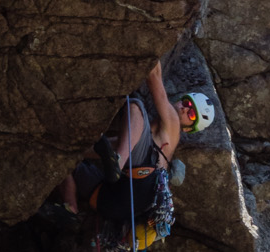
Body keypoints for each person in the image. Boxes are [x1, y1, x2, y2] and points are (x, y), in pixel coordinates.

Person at [61, 61, 215, 219]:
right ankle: (70, 209)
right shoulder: (135, 138)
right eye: (187, 103)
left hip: (137, 181)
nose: (186, 109)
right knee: (67, 158)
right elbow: (106, 148)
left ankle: (118, 163)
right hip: (111, 204)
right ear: (181, 99)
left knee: (136, 106)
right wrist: (74, 150)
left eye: (192, 115)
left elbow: (154, 76)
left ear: (189, 129)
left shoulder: (173, 124)